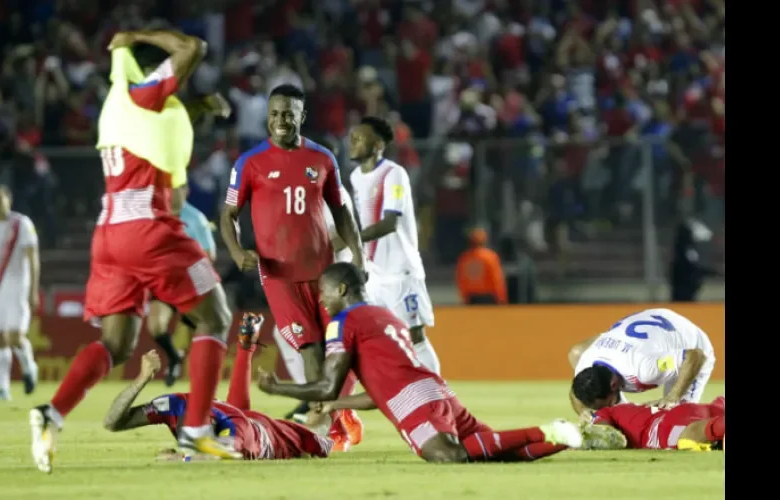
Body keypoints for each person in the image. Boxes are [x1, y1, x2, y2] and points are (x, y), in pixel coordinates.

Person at [29, 29, 241, 474]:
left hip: (109, 234)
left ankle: (52, 414)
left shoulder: (118, 106)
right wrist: (135, 36)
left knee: (116, 343)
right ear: (152, 69)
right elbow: (193, 48)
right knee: (216, 316)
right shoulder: (143, 92)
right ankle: (197, 431)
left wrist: (202, 108)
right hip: (150, 229)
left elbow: (158, 125)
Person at [257, 262, 626, 463]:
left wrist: (277, 388)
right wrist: (337, 405)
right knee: (494, 452)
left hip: (413, 400)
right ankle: (572, 439)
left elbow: (326, 384)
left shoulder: (343, 322)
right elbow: (375, 395)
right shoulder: (385, 316)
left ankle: (549, 430)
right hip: (434, 389)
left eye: (323, 292)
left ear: (340, 290)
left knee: (445, 455)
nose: (321, 301)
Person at [219, 84, 366, 451]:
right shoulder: (249, 162)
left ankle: (334, 415)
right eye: (274, 114)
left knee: (344, 349)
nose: (280, 120)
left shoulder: (322, 158)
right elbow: (229, 215)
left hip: (324, 274)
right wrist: (237, 252)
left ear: (302, 116)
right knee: (311, 350)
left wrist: (359, 257)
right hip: (279, 278)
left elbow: (342, 213)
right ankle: (324, 431)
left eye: (288, 114)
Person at [103, 314, 336, 460]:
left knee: (321, 429)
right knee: (237, 411)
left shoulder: (236, 432)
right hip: (242, 417)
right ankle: (246, 347)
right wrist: (141, 379)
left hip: (279, 435)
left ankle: (340, 411)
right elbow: (112, 422)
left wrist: (180, 459)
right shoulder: (175, 405)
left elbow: (222, 456)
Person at [272, 137, 358, 423]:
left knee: (335, 342)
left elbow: (341, 234)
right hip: (313, 279)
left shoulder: (335, 194)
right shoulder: (302, 194)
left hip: (335, 279)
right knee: (288, 335)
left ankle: (333, 407)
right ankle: (314, 396)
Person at [348, 116, 442, 375]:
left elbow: (389, 222)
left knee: (415, 335)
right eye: (352, 136)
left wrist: (350, 239)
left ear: (378, 144)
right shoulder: (355, 177)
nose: (352, 140)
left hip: (401, 270)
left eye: (360, 136)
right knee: (371, 337)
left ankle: (439, 396)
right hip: (373, 272)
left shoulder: (394, 173)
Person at [568, 308, 716, 416]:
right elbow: (575, 388)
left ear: (614, 384)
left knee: (679, 416)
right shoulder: (585, 364)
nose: (601, 411)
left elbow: (694, 356)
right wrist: (583, 412)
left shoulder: (644, 369)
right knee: (619, 417)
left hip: (691, 342)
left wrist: (672, 397)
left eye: (603, 405)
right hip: (644, 334)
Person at [146, 183, 219, 387]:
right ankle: (175, 357)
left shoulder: (195, 218)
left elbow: (209, 255)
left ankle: (190, 367)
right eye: (168, 188)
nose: (171, 192)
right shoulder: (156, 216)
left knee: (196, 322)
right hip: (166, 281)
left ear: (186, 191)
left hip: (192, 281)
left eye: (176, 188)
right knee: (155, 327)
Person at [0, 184, 40, 400]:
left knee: (15, 337)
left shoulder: (21, 224)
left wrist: (34, 289)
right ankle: (3, 389)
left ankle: (29, 367)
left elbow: (32, 257)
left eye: (1, 198)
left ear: (9, 200)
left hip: (18, 288)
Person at [587, 396, 725, 451]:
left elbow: (606, 435)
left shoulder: (604, 413)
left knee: (686, 437)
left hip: (668, 426)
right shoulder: (631, 408)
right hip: (694, 410)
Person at [455, 228, 508, 305]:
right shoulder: (490, 256)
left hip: (471, 297)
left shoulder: (464, 258)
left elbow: (460, 279)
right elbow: (497, 278)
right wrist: (501, 297)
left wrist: (464, 296)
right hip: (488, 297)